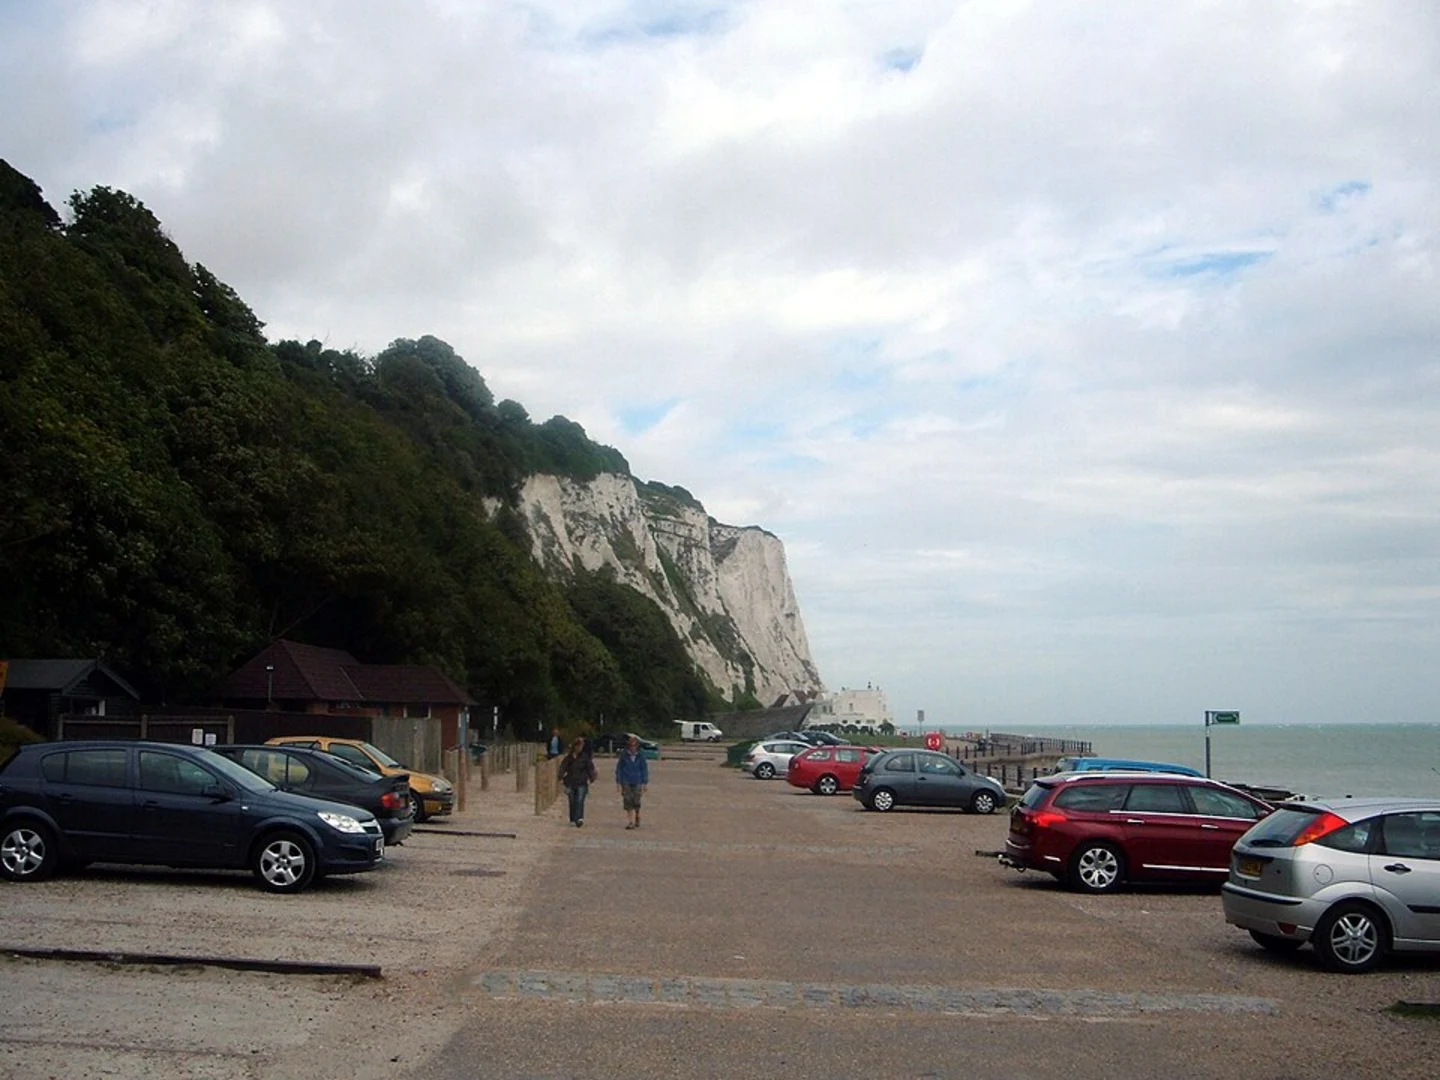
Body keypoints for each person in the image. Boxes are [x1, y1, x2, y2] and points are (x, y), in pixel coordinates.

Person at [557, 737, 596, 827]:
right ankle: (573, 818)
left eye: (581, 746)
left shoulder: (585, 757)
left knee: (579, 800)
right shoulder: (569, 758)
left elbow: (590, 767)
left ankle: (579, 818)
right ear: (575, 746)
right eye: (579, 746)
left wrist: (592, 777)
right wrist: (560, 776)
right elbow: (563, 767)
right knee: (572, 801)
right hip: (570, 781)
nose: (580, 748)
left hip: (581, 781)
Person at [614, 734, 649, 829]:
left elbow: (644, 769)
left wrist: (645, 783)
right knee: (627, 800)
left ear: (637, 746)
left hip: (637, 780)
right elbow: (619, 769)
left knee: (636, 800)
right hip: (626, 780)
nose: (633, 748)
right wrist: (618, 782)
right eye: (631, 746)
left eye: (634, 746)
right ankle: (630, 821)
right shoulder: (624, 756)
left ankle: (637, 814)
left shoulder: (640, 756)